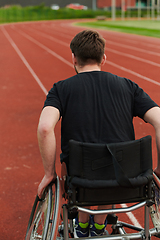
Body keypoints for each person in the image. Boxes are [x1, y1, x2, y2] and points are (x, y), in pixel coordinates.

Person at [37, 29, 160, 237]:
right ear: (103, 57)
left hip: (80, 180)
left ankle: (82, 226)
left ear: (74, 58)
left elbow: (45, 128)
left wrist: (49, 174)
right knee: (113, 159)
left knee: (87, 165)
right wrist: (159, 169)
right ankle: (100, 226)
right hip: (127, 179)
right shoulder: (128, 86)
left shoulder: (61, 89)